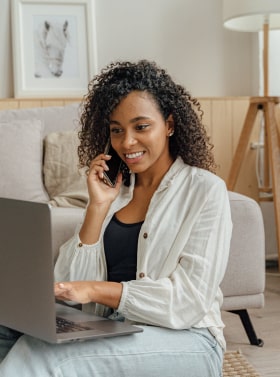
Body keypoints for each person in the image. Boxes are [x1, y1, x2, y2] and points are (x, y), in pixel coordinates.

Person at [0, 60, 232, 377]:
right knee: (6, 329)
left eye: (141, 127)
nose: (127, 143)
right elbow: (69, 284)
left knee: (44, 354)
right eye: (117, 130)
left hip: (189, 340)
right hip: (114, 329)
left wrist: (98, 290)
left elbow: (187, 302)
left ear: (169, 124)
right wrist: (97, 207)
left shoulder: (205, 191)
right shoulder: (115, 193)